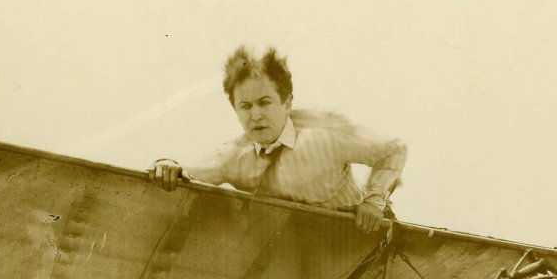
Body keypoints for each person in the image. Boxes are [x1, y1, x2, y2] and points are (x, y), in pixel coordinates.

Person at [147, 46, 406, 233]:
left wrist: (374, 201)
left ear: (287, 102)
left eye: (264, 102)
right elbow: (193, 172)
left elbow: (393, 149)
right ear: (235, 110)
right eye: (245, 106)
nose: (255, 115)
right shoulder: (235, 156)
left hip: (360, 237)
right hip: (301, 249)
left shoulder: (325, 132)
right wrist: (168, 165)